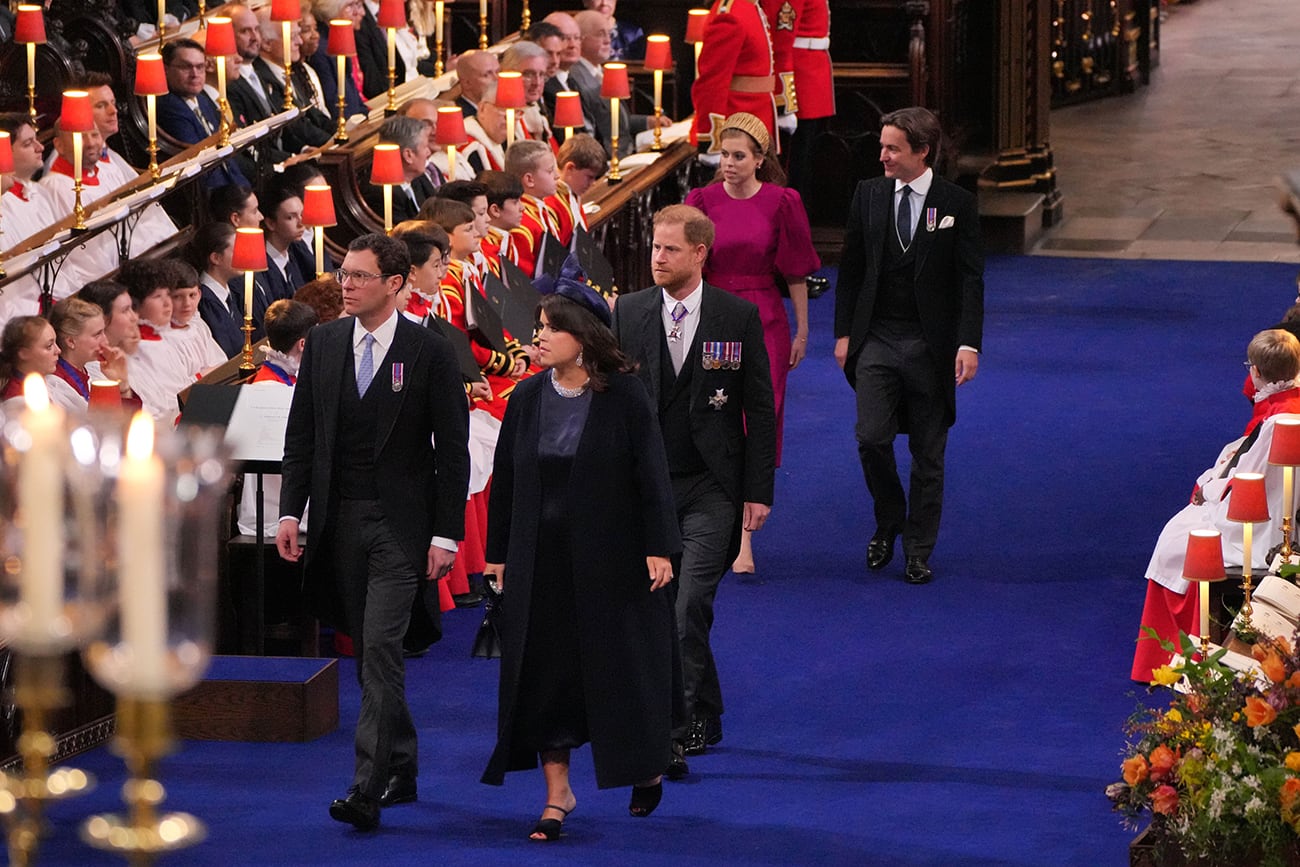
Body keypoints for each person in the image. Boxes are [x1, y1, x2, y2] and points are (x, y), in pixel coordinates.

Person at [277, 233, 470, 831]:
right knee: (369, 654)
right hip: (338, 523)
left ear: (395, 284)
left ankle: (366, 784)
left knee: (383, 648)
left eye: (359, 276)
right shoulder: (327, 343)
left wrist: (446, 535)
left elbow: (453, 451)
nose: (346, 283)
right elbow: (302, 437)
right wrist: (291, 512)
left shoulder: (430, 349)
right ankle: (403, 765)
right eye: (343, 273)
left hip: (400, 527)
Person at [481, 285, 682, 839]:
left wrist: (658, 546)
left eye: (551, 327)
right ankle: (556, 795)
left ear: (585, 337)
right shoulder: (524, 397)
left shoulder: (625, 395)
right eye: (538, 325)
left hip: (611, 561)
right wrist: (498, 555)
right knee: (545, 678)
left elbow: (651, 475)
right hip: (537, 561)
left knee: (619, 670)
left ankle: (644, 765)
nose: (538, 336)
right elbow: (507, 484)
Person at [612, 204, 775, 776]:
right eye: (655, 247)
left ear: (700, 253)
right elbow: (610, 405)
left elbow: (760, 406)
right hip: (646, 494)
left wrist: (759, 490)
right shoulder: (628, 312)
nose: (657, 257)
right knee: (665, 614)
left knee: (686, 609)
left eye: (670, 249)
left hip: (713, 490)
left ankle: (668, 735)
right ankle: (705, 708)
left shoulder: (738, 316)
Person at [834, 106, 984, 586]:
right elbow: (851, 270)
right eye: (882, 146)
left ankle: (919, 549)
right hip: (876, 338)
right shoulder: (869, 195)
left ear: (922, 151)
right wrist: (842, 334)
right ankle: (889, 516)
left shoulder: (956, 202)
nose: (882, 156)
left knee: (928, 455)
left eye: (892, 148)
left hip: (931, 347)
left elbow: (969, 280)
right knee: (871, 438)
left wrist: (968, 343)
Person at [684, 111, 817, 573]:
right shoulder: (701, 199)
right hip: (715, 315)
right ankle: (710, 521)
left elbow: (796, 270)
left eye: (739, 156)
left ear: (760, 159)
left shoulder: (783, 201)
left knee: (759, 415)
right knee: (717, 412)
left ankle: (744, 539)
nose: (729, 163)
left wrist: (802, 330)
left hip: (765, 320)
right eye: (724, 154)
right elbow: (685, 265)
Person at [1132, 329, 1300, 681]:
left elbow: (1247, 485)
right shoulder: (1289, 408)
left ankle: (1182, 654)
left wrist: (1207, 488)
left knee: (1178, 539)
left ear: (1255, 372)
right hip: (1281, 513)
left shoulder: (1279, 422)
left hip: (1261, 526)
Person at [156, 38, 251, 187]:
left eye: (200, 67)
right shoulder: (170, 107)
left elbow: (226, 157)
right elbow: (202, 165)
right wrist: (240, 200)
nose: (195, 74)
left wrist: (245, 190)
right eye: (186, 67)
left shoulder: (202, 100)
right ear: (166, 70)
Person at [691, 0, 777, 152]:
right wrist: (712, 142)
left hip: (757, 123)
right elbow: (712, 83)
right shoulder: (730, 14)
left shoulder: (750, 7)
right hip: (738, 129)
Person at [46, 295, 140, 414]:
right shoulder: (55, 385)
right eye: (97, 335)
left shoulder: (94, 368)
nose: (105, 341)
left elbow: (128, 421)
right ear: (70, 341)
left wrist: (122, 384)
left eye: (103, 332)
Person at [364, 116, 437, 225]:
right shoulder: (383, 193)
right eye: (425, 147)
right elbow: (405, 236)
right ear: (408, 155)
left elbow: (439, 210)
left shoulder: (418, 177)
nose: (428, 152)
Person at [0, 316, 60, 412]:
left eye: (55, 343)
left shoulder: (52, 380)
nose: (58, 351)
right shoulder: (17, 403)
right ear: (24, 353)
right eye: (49, 346)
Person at [455, 49, 499, 119]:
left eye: (497, 72)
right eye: (486, 75)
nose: (497, 79)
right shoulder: (459, 118)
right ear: (467, 83)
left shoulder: (503, 110)